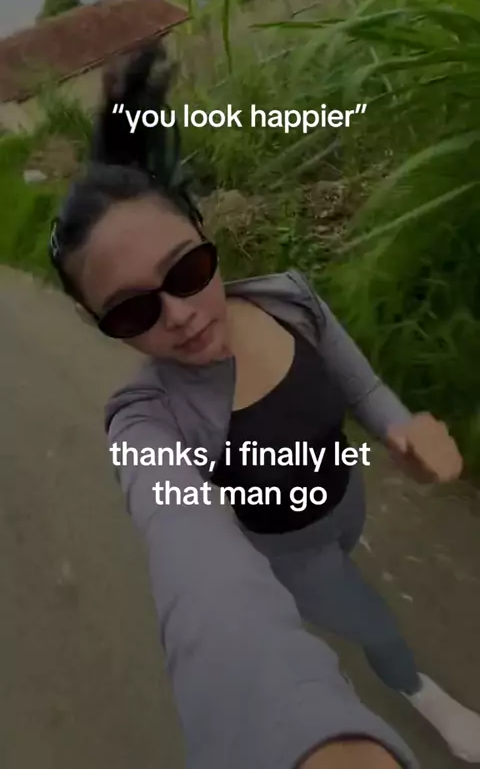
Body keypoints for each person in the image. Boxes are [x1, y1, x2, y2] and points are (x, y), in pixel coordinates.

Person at [48, 45, 480, 768]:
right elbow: (192, 563)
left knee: (354, 575)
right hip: (291, 555)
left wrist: (402, 429)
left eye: (187, 270)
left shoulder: (290, 299)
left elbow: (363, 389)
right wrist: (291, 738)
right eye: (132, 311)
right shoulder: (148, 420)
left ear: (205, 234)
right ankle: (423, 696)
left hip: (346, 503)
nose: (180, 315)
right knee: (372, 624)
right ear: (101, 324)